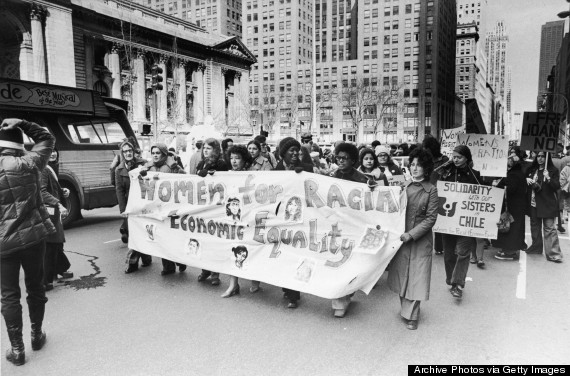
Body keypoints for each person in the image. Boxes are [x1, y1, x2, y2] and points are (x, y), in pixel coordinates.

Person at [1, 118, 55, 366]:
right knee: (35, 287)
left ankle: (17, 350)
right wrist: (23, 122)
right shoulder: (30, 162)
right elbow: (47, 138)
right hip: (33, 238)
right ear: (19, 144)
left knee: (9, 295)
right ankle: (36, 335)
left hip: (3, 245)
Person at [388, 147, 438, 330]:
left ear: (426, 168)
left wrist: (412, 234)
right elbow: (388, 201)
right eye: (413, 164)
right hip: (401, 237)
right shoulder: (403, 186)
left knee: (418, 276)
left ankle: (412, 315)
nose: (415, 168)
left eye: (419, 165)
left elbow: (431, 218)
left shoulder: (431, 190)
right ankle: (406, 309)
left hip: (420, 240)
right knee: (403, 275)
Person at [328, 142, 369, 317]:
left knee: (350, 262)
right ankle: (339, 300)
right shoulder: (331, 176)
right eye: (338, 158)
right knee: (337, 261)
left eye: (345, 158)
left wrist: (372, 187)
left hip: (355, 227)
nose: (341, 161)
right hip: (336, 226)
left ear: (353, 160)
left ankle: (346, 294)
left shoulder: (362, 179)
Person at [274, 137, 314, 309]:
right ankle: (287, 288)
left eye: (298, 151)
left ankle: (294, 294)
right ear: (283, 153)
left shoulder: (307, 168)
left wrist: (303, 176)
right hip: (282, 219)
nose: (296, 154)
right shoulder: (276, 171)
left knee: (297, 254)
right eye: (291, 151)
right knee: (284, 255)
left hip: (300, 219)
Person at [438, 145, 482, 298]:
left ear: (467, 158)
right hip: (448, 219)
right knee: (449, 254)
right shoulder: (445, 173)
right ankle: (451, 279)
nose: (455, 159)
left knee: (463, 253)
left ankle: (458, 284)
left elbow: (484, 196)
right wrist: (443, 168)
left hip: (466, 221)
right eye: (453, 156)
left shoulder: (475, 175)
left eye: (459, 157)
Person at [221, 145, 262, 297]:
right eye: (231, 158)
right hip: (233, 219)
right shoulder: (225, 175)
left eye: (237, 158)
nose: (234, 161)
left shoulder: (251, 176)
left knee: (251, 248)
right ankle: (233, 284)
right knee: (234, 249)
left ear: (244, 160)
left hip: (249, 218)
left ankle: (255, 279)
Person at [146, 143, 187, 275]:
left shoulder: (172, 165)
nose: (155, 155)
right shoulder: (149, 166)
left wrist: (177, 169)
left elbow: (185, 178)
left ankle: (180, 261)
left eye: (158, 153)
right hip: (157, 208)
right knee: (162, 237)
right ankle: (168, 267)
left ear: (163, 154)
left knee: (172, 237)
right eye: (153, 153)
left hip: (171, 207)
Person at [196, 138, 229, 285]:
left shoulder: (221, 163)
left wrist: (212, 174)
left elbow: (225, 181)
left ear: (215, 150)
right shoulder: (201, 163)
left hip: (217, 206)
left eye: (209, 148)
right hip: (203, 206)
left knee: (214, 240)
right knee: (203, 240)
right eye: (204, 148)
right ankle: (205, 270)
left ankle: (215, 274)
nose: (205, 151)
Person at [115, 140, 152, 273]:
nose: (128, 153)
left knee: (142, 231)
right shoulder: (119, 169)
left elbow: (150, 177)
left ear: (133, 151)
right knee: (133, 233)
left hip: (142, 204)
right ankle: (135, 262)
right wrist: (123, 210)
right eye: (125, 151)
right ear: (122, 153)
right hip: (129, 205)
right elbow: (119, 190)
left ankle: (143, 258)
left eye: (130, 151)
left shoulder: (142, 164)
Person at [41, 149, 73, 291]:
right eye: (50, 152)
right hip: (49, 212)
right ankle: (45, 280)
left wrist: (62, 191)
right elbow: (42, 192)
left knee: (56, 243)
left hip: (52, 212)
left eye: (55, 151)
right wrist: (58, 204)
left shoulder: (50, 167)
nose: (53, 154)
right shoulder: (43, 168)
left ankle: (58, 270)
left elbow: (51, 187)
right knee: (52, 244)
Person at [524, 151, 563, 263]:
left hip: (547, 203)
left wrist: (549, 178)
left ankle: (554, 254)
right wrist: (526, 179)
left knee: (549, 229)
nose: (540, 159)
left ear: (547, 158)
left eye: (542, 156)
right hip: (533, 203)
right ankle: (536, 247)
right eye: (538, 156)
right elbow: (523, 177)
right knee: (535, 226)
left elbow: (556, 186)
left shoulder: (552, 170)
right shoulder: (531, 170)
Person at [493, 149, 528, 261]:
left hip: (513, 207)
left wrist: (498, 185)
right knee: (514, 228)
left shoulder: (513, 174)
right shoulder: (519, 173)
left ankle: (509, 252)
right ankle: (509, 249)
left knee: (511, 228)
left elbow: (510, 189)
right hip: (517, 206)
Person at [422, 136, 449, 256]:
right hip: (427, 190)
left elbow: (448, 174)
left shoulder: (444, 159)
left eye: (426, 148)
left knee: (440, 219)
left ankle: (439, 246)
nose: (425, 150)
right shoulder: (425, 159)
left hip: (441, 192)